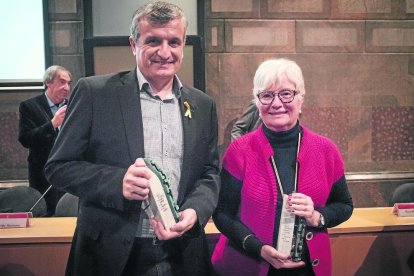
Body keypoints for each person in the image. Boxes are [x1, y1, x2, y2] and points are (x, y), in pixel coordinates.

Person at [45, 2, 220, 275]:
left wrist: (196, 211)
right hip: (111, 256)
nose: (165, 52)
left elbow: (210, 173)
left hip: (182, 254)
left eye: (174, 42)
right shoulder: (95, 93)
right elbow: (58, 167)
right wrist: (117, 182)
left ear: (183, 44)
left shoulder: (202, 105)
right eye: (153, 41)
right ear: (133, 44)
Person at [211, 58, 353, 276]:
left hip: (307, 269)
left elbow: (344, 205)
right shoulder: (239, 151)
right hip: (249, 263)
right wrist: (257, 248)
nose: (276, 103)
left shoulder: (326, 150)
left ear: (301, 98)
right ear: (257, 103)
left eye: (286, 93)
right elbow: (222, 214)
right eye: (267, 95)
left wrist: (317, 216)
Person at [18, 65, 72, 216]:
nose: (67, 87)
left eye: (69, 83)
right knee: (44, 215)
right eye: (62, 82)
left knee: (69, 213)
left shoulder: (73, 106)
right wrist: (52, 124)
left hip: (69, 172)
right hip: (42, 175)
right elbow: (25, 139)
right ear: (48, 82)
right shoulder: (30, 106)